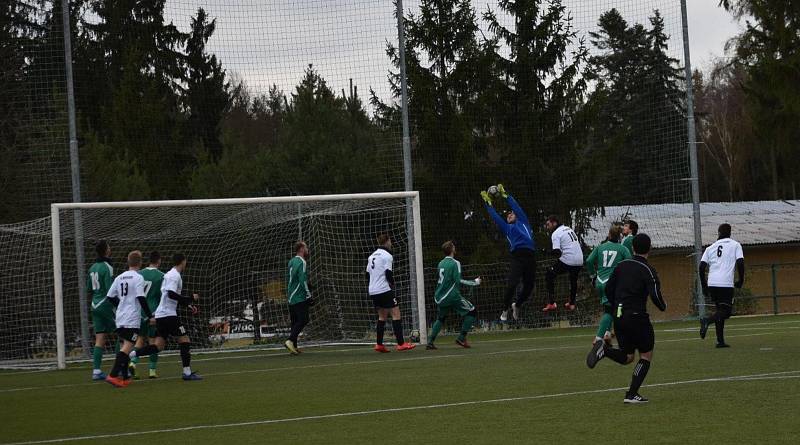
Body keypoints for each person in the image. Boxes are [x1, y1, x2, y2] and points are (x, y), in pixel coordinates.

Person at [586, 234, 667, 404]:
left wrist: (616, 305)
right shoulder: (648, 269)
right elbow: (655, 295)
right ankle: (631, 394)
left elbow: (608, 289)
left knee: (628, 356)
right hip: (637, 316)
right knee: (645, 355)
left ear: (632, 249)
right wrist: (662, 306)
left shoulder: (621, 266)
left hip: (619, 315)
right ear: (649, 249)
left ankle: (604, 351)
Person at [128, 253, 202, 381]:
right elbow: (170, 294)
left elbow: (169, 296)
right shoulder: (174, 276)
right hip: (169, 315)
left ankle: (132, 354)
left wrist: (188, 305)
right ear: (183, 262)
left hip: (161, 315)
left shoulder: (168, 275)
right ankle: (187, 372)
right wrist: (190, 298)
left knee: (158, 346)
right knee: (184, 340)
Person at [481, 184, 535, 321]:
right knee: (512, 284)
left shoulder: (524, 222)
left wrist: (506, 196)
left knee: (529, 287)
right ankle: (505, 309)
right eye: (507, 215)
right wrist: (488, 203)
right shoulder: (507, 228)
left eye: (511, 213)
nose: (509, 214)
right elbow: (494, 216)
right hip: (517, 257)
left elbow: (516, 207)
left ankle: (517, 305)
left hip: (530, 256)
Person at [104, 251, 152, 388]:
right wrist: (150, 315)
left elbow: (109, 296)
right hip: (132, 318)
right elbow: (141, 298)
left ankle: (124, 377)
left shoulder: (119, 277)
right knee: (127, 348)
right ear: (140, 262)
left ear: (128, 262)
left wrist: (120, 305)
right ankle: (113, 375)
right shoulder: (138, 277)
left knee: (126, 344)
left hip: (120, 317)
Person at [427, 241, 481, 349]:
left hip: (440, 296)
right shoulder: (455, 263)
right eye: (454, 247)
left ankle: (430, 342)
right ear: (452, 250)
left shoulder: (440, 263)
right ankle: (461, 338)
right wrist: (475, 282)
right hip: (452, 296)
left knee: (441, 318)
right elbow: (458, 281)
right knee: (472, 311)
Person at [366, 234, 415, 352]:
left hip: (372, 290)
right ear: (387, 241)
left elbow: (367, 274)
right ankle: (401, 343)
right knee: (396, 313)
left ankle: (379, 344)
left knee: (382, 316)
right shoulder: (387, 255)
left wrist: (372, 284)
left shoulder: (372, 256)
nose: (391, 243)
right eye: (390, 241)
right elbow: (388, 273)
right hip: (383, 289)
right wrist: (392, 284)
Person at [699, 223, 744, 348]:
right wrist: (741, 280)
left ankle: (720, 341)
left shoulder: (710, 248)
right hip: (725, 283)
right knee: (726, 312)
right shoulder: (735, 245)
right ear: (730, 233)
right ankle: (707, 320)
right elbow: (740, 263)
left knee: (720, 311)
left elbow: (701, 267)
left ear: (718, 233)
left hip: (712, 282)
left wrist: (704, 286)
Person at [584, 225, 631, 346]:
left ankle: (607, 334)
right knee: (611, 311)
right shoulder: (622, 249)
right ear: (619, 236)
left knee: (611, 308)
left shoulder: (600, 247)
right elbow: (629, 263)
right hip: (612, 284)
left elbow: (589, 261)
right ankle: (598, 338)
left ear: (609, 235)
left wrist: (593, 275)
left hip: (599, 282)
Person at [129, 251, 164, 379]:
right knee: (153, 342)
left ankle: (133, 362)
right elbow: (162, 297)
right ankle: (152, 371)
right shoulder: (161, 276)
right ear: (159, 261)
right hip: (153, 313)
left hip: (140, 312)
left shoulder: (140, 274)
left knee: (139, 340)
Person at [87, 240, 115, 381]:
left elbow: (89, 289)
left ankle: (96, 371)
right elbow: (110, 290)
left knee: (100, 338)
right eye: (109, 247)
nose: (110, 249)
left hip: (94, 305)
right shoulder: (107, 267)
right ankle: (119, 368)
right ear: (106, 251)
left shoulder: (92, 268)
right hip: (105, 304)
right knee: (121, 334)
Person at [544, 216, 584, 311]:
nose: (547, 227)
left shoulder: (556, 234)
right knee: (573, 280)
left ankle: (552, 303)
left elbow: (557, 252)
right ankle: (572, 303)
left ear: (554, 223)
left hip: (569, 260)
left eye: (548, 224)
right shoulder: (568, 228)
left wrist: (546, 252)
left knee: (549, 274)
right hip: (580, 260)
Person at [285, 241, 313, 355]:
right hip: (299, 296)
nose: (307, 249)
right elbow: (302, 279)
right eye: (306, 247)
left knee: (295, 321)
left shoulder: (291, 261)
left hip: (291, 295)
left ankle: (294, 347)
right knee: (304, 319)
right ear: (301, 249)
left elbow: (291, 278)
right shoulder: (302, 262)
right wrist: (308, 294)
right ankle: (290, 340)